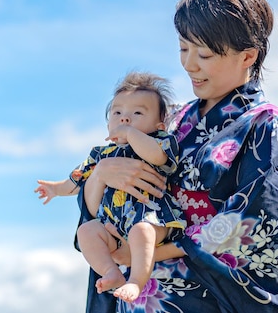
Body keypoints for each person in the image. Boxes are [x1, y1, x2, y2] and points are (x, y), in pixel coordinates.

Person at [77, 0, 278, 312]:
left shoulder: (267, 125)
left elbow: (262, 221)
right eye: (183, 48)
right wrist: (102, 174)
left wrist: (150, 252)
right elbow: (97, 208)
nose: (189, 64)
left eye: (204, 54)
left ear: (247, 55)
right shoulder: (169, 122)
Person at [35, 71, 186, 303]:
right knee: (86, 231)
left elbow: (157, 157)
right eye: (117, 113)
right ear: (108, 124)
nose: (125, 118)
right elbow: (79, 178)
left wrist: (131, 134)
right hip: (113, 224)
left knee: (140, 231)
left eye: (137, 113)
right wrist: (57, 189)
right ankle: (110, 271)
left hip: (153, 218)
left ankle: (136, 280)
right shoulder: (100, 154)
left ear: (159, 124)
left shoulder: (160, 142)